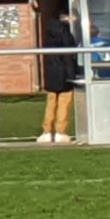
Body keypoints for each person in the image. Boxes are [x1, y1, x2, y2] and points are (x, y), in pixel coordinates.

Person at [38, 12, 80, 143]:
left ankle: (47, 132)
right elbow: (69, 55)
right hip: (64, 73)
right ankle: (60, 132)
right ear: (66, 18)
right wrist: (72, 75)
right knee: (64, 103)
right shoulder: (65, 33)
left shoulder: (48, 32)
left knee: (51, 104)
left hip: (50, 74)